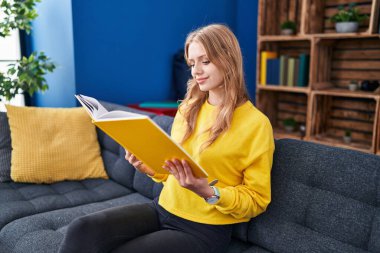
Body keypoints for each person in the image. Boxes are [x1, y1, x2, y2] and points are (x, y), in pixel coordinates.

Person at [58, 23, 274, 253]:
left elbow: (257, 200)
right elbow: (172, 170)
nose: (196, 71)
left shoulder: (256, 124)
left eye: (205, 61)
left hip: (205, 229)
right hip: (163, 208)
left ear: (229, 59)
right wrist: (150, 167)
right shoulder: (188, 109)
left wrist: (209, 192)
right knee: (81, 228)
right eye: (192, 63)